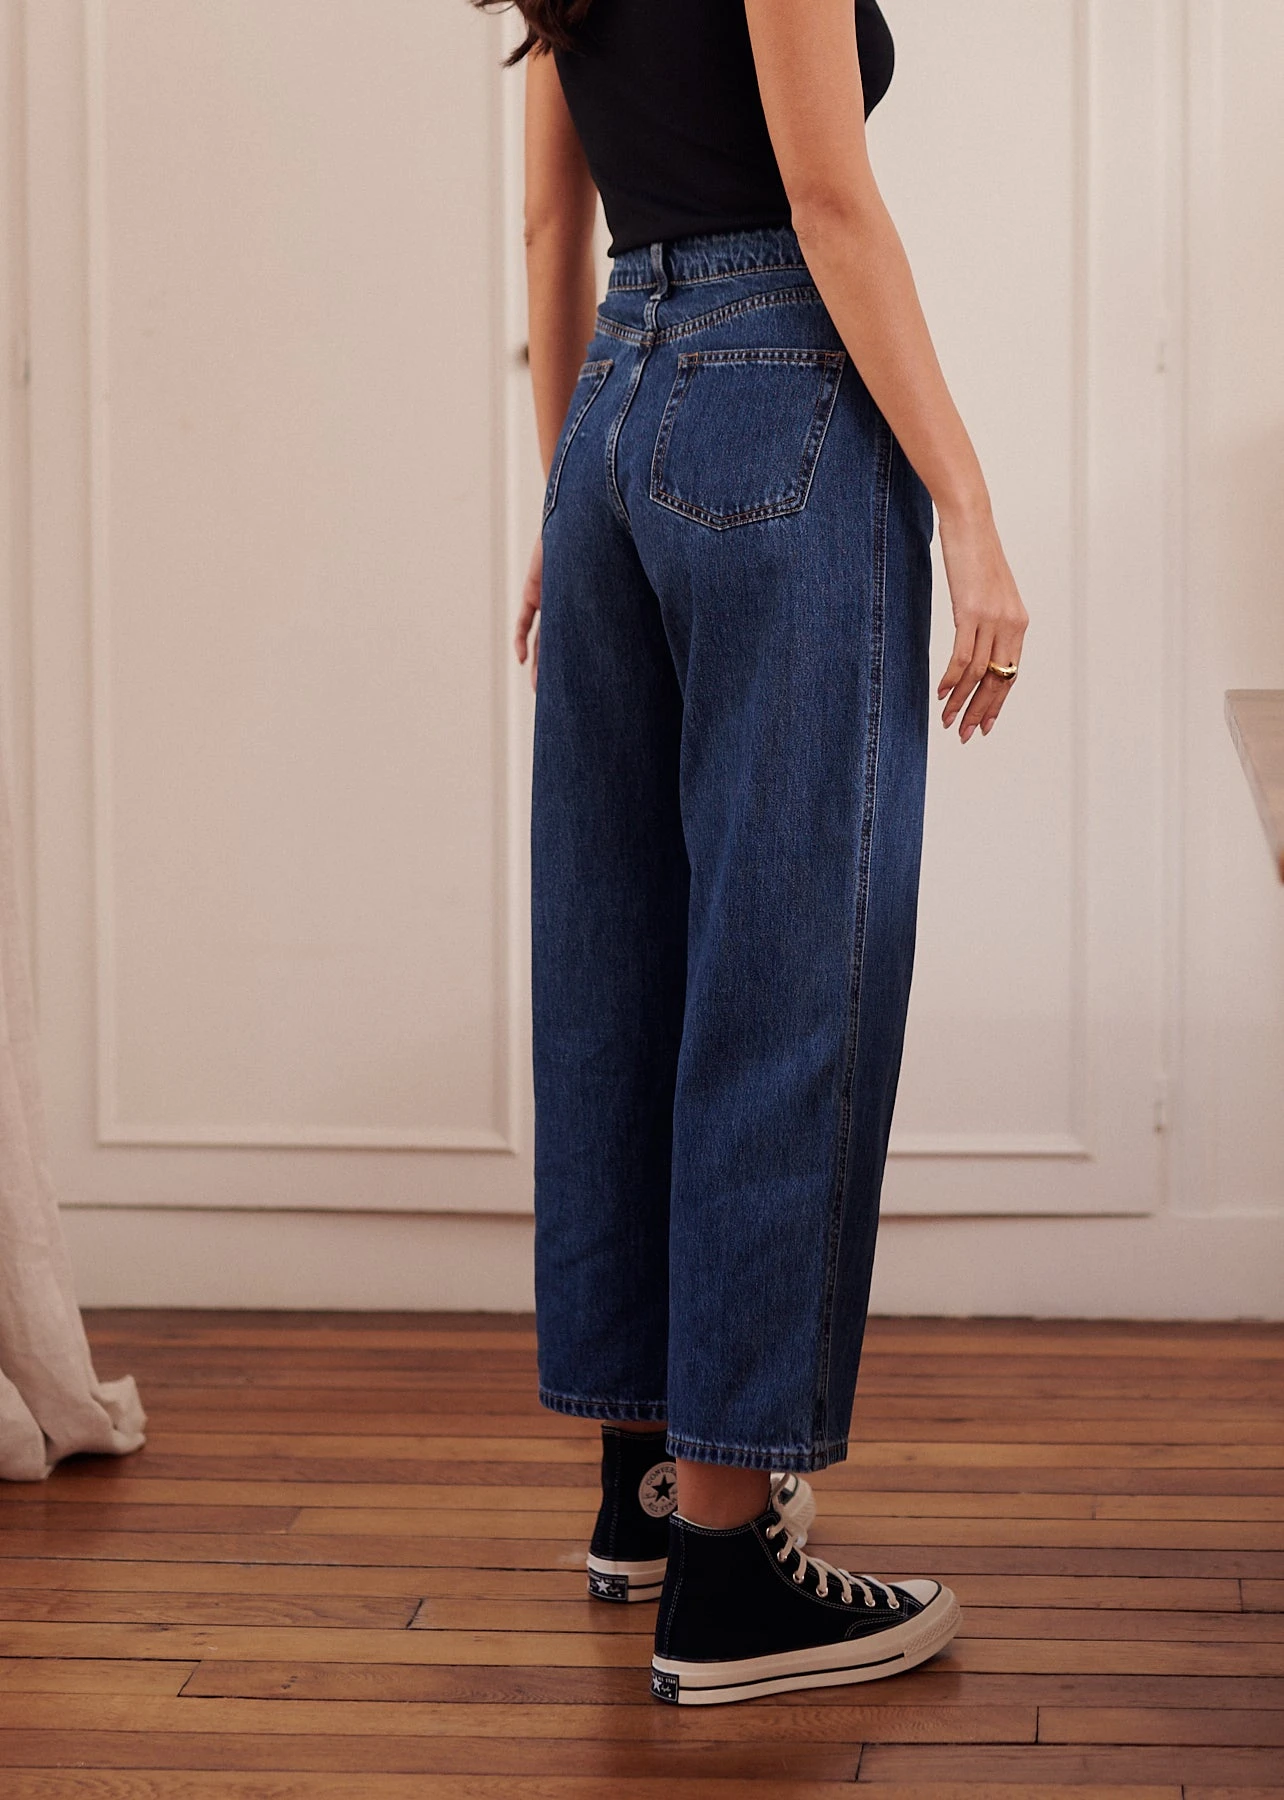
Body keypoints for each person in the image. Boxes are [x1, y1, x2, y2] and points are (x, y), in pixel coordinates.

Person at [477, 0, 1029, 1706]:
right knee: (785, 979)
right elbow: (827, 200)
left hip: (612, 412)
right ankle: (730, 1578)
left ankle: (644, 1497)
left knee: (623, 971)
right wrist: (967, 504)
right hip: (780, 397)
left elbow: (549, 225)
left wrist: (575, 493)